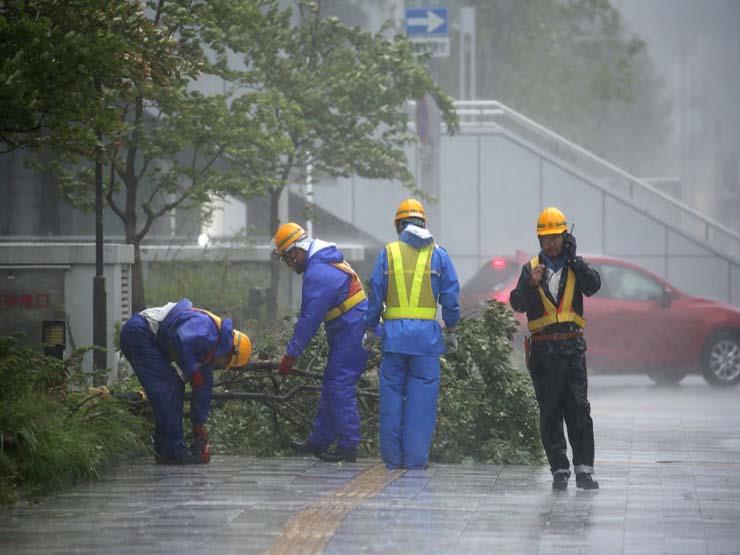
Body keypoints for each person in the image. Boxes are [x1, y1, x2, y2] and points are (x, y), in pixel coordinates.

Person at [509, 206, 601, 490]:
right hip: (543, 352)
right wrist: (529, 284)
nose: (551, 243)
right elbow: (517, 303)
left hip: (572, 349)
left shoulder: (575, 266)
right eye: (546, 238)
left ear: (565, 237)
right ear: (539, 239)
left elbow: (593, 285)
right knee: (549, 411)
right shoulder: (531, 268)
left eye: (556, 238)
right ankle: (559, 469)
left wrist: (576, 261)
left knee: (578, 410)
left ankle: (584, 470)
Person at [364, 199, 460, 469]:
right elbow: (451, 298)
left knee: (391, 400)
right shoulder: (439, 255)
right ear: (423, 224)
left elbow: (375, 294)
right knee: (422, 404)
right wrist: (451, 329)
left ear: (399, 225)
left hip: (393, 339)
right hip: (426, 343)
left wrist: (370, 327)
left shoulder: (389, 253)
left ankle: (392, 462)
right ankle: (416, 461)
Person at [272, 222, 370, 463]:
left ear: (296, 251)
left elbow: (309, 319)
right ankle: (319, 441)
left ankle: (349, 446)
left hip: (352, 329)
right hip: (348, 327)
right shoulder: (323, 261)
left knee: (339, 385)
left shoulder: (318, 273)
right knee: (331, 383)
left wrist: (291, 355)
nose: (288, 264)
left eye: (287, 259)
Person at [120, 299, 252, 464]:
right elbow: (180, 339)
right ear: (230, 351)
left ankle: (166, 451)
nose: (223, 366)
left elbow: (203, 390)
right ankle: (173, 451)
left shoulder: (209, 351)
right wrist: (192, 370)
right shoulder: (207, 328)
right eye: (226, 363)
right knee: (168, 389)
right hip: (139, 334)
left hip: (145, 337)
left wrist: (199, 424)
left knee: (173, 387)